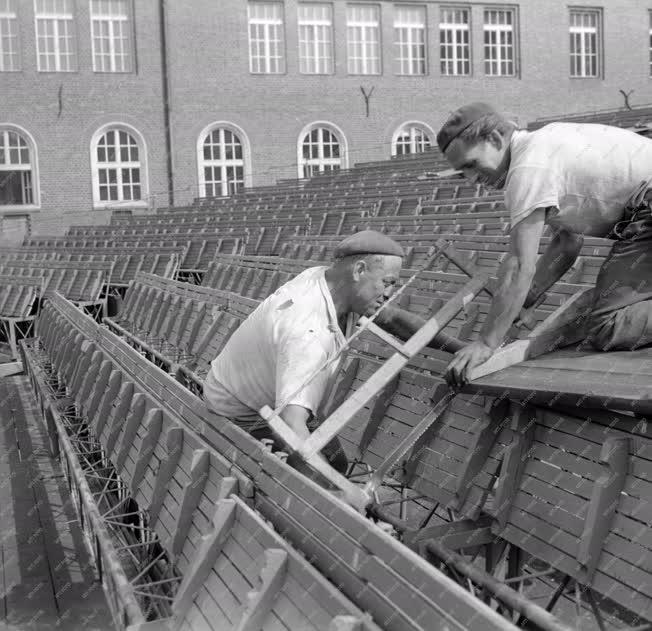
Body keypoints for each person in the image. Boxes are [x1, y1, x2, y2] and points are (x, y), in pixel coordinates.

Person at [203, 230, 463, 497]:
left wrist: (460, 349)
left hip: (249, 396)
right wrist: (340, 495)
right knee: (320, 483)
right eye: (387, 282)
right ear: (359, 270)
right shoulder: (310, 333)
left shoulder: (328, 280)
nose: (391, 293)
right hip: (241, 414)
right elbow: (290, 426)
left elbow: (392, 318)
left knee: (335, 460)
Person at [435, 102, 652, 387]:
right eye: (462, 172)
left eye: (472, 164)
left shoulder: (527, 168)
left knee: (606, 325)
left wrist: (487, 342)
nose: (472, 179)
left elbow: (519, 266)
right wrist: (525, 302)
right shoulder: (539, 147)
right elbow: (566, 244)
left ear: (495, 139)